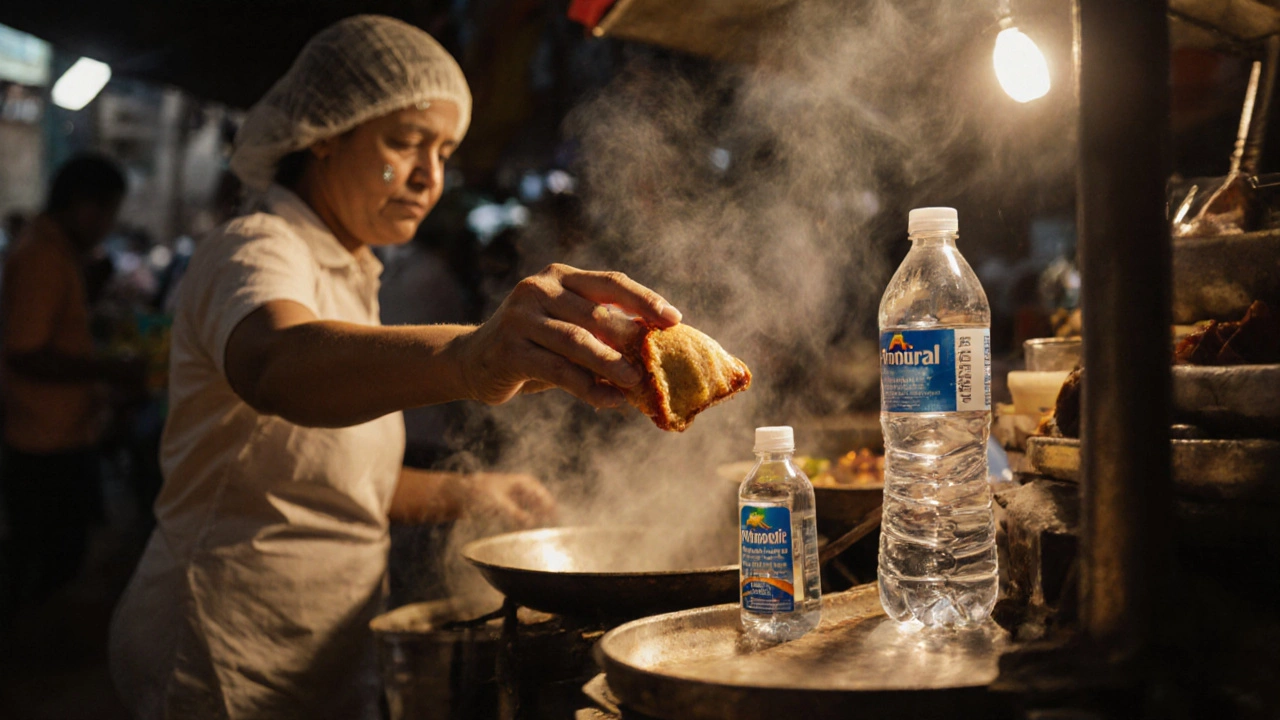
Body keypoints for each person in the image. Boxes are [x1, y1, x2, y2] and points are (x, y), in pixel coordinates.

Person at [108, 16, 681, 720]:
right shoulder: (255, 248)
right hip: (221, 647)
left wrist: (478, 493)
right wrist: (471, 358)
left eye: (443, 152)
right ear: (324, 131)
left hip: (321, 646)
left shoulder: (350, 269)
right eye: (404, 143)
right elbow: (275, 364)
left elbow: (333, 476)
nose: (428, 176)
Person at [1, 154, 141, 609]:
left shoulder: (56, 250)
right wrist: (108, 370)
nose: (106, 226)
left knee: (54, 553)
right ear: (83, 204)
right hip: (43, 438)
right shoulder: (42, 255)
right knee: (48, 558)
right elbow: (25, 353)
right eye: (107, 213)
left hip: (58, 430)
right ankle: (30, 662)